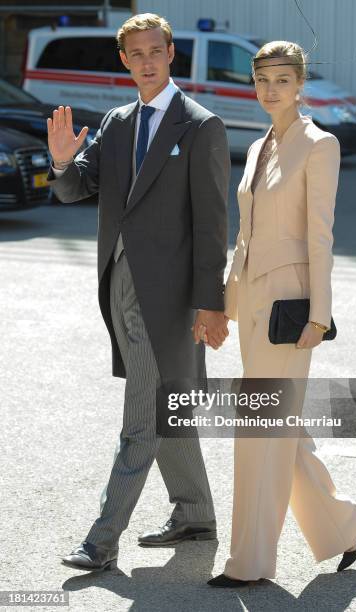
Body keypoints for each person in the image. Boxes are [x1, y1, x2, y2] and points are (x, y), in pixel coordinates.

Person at [46, 13, 230, 572]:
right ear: (124, 61)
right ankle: (195, 513)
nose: (147, 61)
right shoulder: (118, 122)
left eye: (156, 51)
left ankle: (101, 540)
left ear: (171, 53)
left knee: (142, 418)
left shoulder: (201, 125)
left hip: (169, 299)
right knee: (168, 406)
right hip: (119, 287)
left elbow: (212, 224)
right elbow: (78, 187)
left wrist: (210, 301)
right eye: (136, 54)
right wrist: (60, 160)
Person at [206, 41, 356, 587]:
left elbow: (320, 237)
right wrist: (225, 306)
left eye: (282, 80)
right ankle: (341, 526)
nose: (270, 90)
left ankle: (249, 563)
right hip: (252, 305)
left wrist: (319, 316)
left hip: (289, 310)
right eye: (262, 80)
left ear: (301, 84)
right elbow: (246, 234)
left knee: (259, 429)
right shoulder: (256, 148)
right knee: (280, 429)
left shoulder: (319, 145)